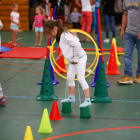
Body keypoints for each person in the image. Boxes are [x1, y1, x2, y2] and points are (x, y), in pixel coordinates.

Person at [44, 19, 91, 107]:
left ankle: (88, 100)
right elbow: (67, 48)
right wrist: (58, 55)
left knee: (81, 78)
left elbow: (77, 44)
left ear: (55, 28)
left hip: (80, 58)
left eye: (50, 33)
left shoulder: (64, 35)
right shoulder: (62, 35)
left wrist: (76, 58)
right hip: (73, 59)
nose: (50, 35)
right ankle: (71, 97)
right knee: (69, 77)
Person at [117, 0, 140, 84]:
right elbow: (125, 14)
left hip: (138, 32)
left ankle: (139, 75)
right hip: (128, 32)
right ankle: (128, 76)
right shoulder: (126, 1)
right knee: (127, 54)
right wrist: (122, 29)